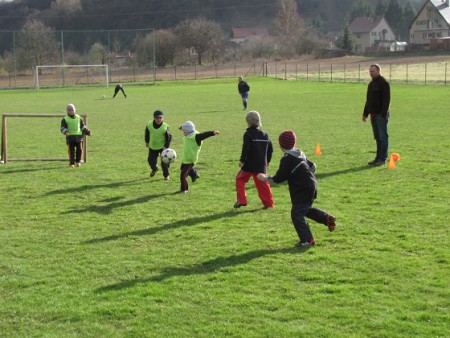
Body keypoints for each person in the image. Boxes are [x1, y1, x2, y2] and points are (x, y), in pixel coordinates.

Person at [257, 130, 336, 248]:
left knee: (296, 214)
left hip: (302, 188)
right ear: (294, 143)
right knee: (303, 209)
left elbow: (279, 178)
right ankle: (326, 218)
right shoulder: (300, 153)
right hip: (311, 185)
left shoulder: (287, 159)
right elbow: (313, 166)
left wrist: (265, 178)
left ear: (281, 145)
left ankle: (307, 240)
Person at [235, 110, 274, 209]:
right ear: (259, 121)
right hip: (261, 165)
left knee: (240, 179)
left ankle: (242, 200)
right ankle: (269, 204)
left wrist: (242, 160)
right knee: (263, 184)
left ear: (248, 122)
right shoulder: (265, 135)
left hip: (249, 164)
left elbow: (246, 148)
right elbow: (270, 150)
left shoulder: (248, 134)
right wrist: (267, 161)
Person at [178, 121, 220, 193]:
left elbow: (204, 135)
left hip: (191, 160)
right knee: (183, 169)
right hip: (185, 158)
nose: (183, 133)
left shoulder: (196, 136)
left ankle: (184, 189)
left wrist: (213, 133)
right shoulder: (188, 135)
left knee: (183, 175)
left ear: (188, 131)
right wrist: (181, 127)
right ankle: (194, 174)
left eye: (184, 131)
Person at [363, 64, 390, 166]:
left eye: (373, 71)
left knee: (383, 137)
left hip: (381, 115)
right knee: (377, 137)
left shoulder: (384, 83)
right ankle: (378, 158)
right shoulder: (371, 84)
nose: (371, 73)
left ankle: (382, 159)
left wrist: (383, 114)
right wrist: (365, 113)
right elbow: (368, 100)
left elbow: (387, 100)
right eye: (370, 71)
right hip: (373, 114)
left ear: (378, 71)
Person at [60, 103, 92, 168]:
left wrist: (87, 132)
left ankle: (78, 161)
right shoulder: (65, 119)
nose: (72, 112)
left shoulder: (78, 118)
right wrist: (65, 132)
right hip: (70, 137)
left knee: (79, 150)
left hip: (79, 137)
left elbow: (83, 127)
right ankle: (71, 163)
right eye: (70, 110)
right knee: (71, 151)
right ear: (67, 111)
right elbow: (62, 128)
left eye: (73, 110)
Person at [145, 110, 172, 180]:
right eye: (157, 118)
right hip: (152, 146)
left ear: (163, 118)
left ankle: (166, 176)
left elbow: (169, 138)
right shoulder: (149, 124)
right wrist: (147, 142)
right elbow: (147, 133)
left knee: (164, 162)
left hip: (162, 147)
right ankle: (155, 168)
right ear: (154, 118)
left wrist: (166, 146)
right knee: (150, 161)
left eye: (160, 118)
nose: (159, 119)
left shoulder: (165, 126)